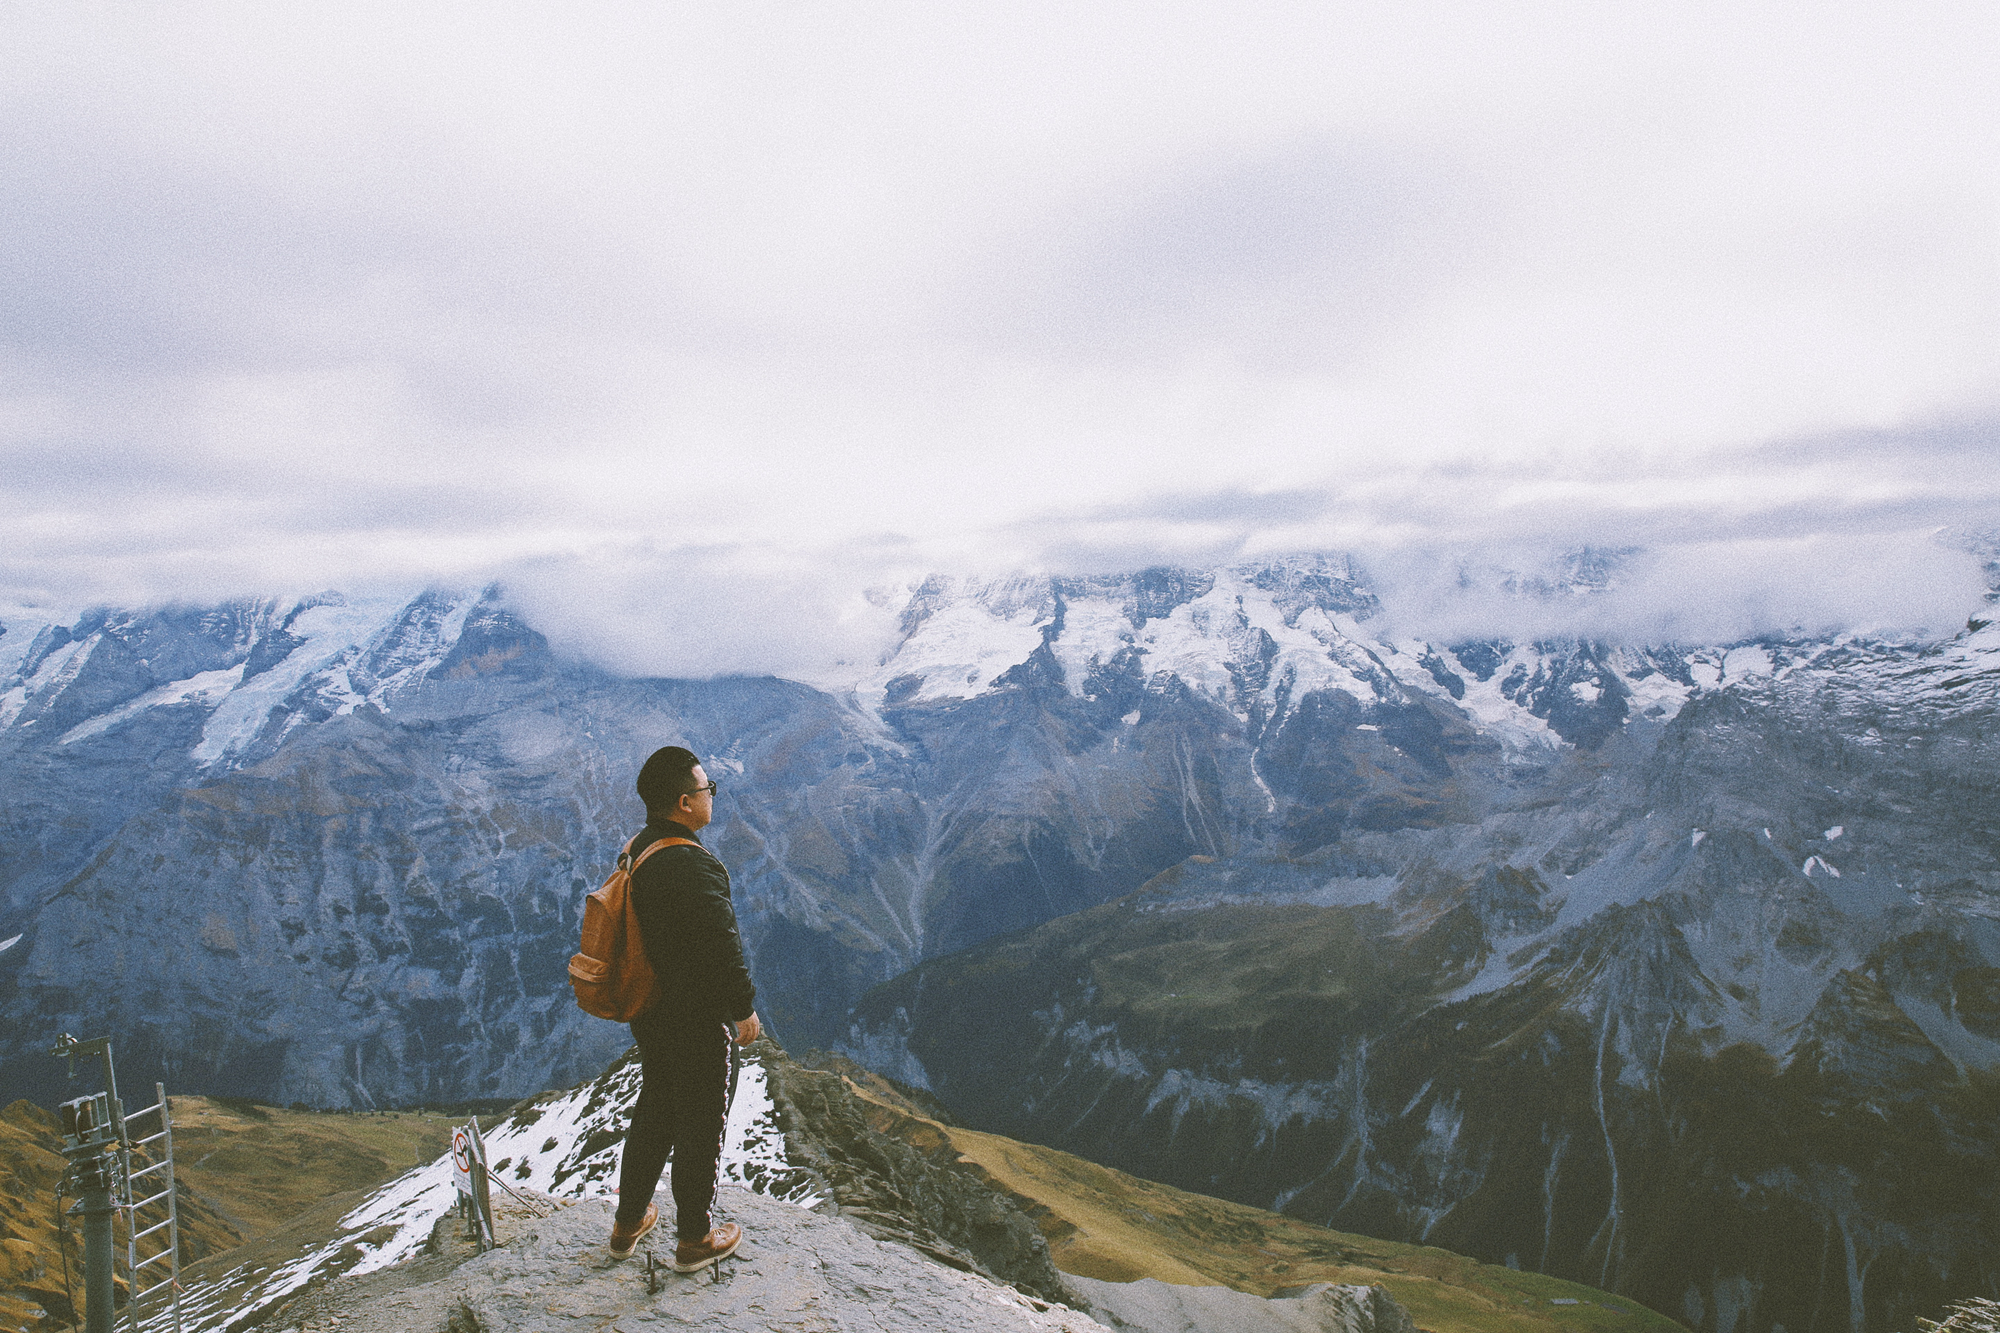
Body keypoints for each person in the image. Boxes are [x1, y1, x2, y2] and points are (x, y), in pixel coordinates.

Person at [607, 745, 762, 1271]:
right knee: (702, 1121)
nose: (710, 797)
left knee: (656, 1109)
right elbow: (724, 947)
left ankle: (628, 1223)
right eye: (706, 790)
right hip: (697, 1018)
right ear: (683, 802)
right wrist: (741, 1011)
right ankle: (695, 1237)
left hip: (649, 1012)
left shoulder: (639, 848)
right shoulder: (694, 864)